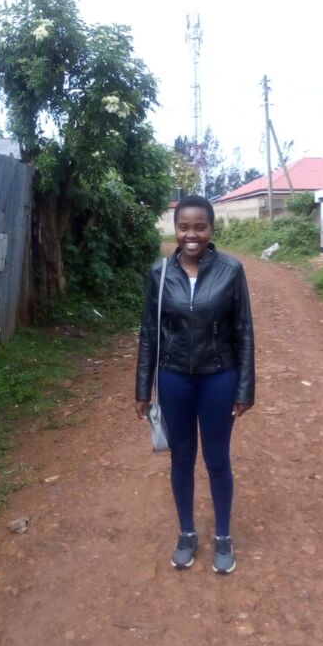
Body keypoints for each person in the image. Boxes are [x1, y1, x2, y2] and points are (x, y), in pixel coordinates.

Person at [134, 195, 255, 574]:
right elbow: (149, 333)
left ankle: (223, 535)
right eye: (184, 227)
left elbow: (244, 331)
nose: (191, 234)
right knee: (181, 457)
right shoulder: (159, 273)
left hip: (219, 377)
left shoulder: (231, 271)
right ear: (175, 229)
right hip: (173, 379)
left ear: (211, 229)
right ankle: (186, 532)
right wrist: (142, 388)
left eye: (199, 227)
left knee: (217, 458)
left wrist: (245, 388)